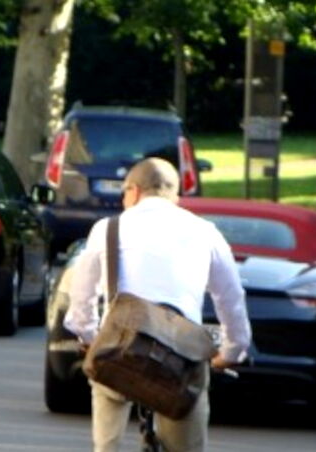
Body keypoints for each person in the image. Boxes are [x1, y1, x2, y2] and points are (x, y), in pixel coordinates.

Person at [64, 157, 251, 452]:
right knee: (187, 434)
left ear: (135, 190)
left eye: (124, 193)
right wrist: (231, 351)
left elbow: (81, 296)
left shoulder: (108, 228)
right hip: (179, 360)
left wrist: (89, 338)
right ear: (174, 195)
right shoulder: (206, 232)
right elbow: (230, 298)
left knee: (107, 411)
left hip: (120, 352)